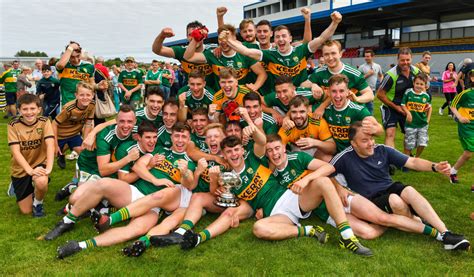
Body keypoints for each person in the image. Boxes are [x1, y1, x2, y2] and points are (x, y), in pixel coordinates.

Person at [331, 121, 470, 251]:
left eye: (372, 138)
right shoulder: (344, 157)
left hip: (389, 187)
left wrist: (434, 167)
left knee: (408, 190)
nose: (371, 143)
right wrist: (339, 188)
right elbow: (324, 172)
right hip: (371, 199)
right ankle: (421, 223)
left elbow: (413, 162)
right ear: (353, 144)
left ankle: (446, 233)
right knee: (395, 200)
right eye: (364, 140)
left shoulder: (382, 150)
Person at [257, 134, 372, 256]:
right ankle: (310, 230)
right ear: (266, 154)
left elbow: (329, 168)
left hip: (316, 196)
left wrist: (306, 180)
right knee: (369, 232)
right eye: (269, 150)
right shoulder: (270, 170)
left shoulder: (296, 157)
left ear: (284, 148)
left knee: (323, 182)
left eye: (277, 148)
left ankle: (347, 237)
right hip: (300, 210)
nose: (274, 153)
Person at [220, 12, 342, 91]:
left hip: (300, 94)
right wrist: (228, 40)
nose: (281, 39)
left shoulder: (301, 50)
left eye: (284, 36)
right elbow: (246, 51)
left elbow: (322, 38)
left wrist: (335, 23)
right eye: (278, 37)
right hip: (279, 97)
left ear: (290, 38)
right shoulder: (271, 54)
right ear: (274, 39)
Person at [183, 23, 267, 93]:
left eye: (227, 37)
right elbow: (188, 57)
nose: (223, 41)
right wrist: (195, 39)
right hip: (220, 101)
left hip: (241, 99)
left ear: (234, 38)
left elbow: (262, 73)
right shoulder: (213, 54)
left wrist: (255, 86)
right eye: (221, 38)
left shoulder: (244, 54)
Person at [7, 94, 54, 217]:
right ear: (19, 110)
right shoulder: (13, 125)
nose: (29, 112)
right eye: (25, 109)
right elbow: (15, 151)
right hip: (21, 168)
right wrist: (30, 171)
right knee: (25, 211)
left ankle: (38, 204)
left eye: (32, 109)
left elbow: (50, 145)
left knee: (42, 181)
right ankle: (17, 185)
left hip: (39, 163)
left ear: (39, 109)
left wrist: (48, 169)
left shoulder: (45, 122)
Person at [323, 74, 383, 153]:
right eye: (334, 91)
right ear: (328, 92)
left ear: (348, 92)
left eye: (341, 91)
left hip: (355, 154)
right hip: (334, 153)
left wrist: (375, 129)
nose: (338, 96)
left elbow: (379, 130)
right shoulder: (325, 109)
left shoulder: (358, 110)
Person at [377, 47, 420, 149]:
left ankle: (408, 159)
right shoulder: (390, 75)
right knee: (390, 133)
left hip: (407, 108)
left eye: (408, 60)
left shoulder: (417, 72)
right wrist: (396, 108)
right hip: (390, 108)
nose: (405, 63)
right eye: (402, 60)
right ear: (398, 60)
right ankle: (390, 160)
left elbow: (421, 88)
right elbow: (380, 94)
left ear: (411, 59)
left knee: (409, 135)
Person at [52, 81, 95, 170]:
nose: (85, 98)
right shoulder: (69, 108)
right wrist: (55, 144)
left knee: (83, 153)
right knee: (52, 155)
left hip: (74, 135)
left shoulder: (92, 104)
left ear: (93, 95)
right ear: (76, 95)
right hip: (61, 135)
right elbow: (54, 123)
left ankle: (83, 174)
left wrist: (85, 141)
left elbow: (88, 123)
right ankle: (61, 155)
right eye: (82, 95)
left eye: (88, 95)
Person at [278, 96, 336, 161]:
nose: (298, 116)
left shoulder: (317, 121)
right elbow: (278, 150)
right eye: (294, 112)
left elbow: (333, 149)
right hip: (296, 151)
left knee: (327, 158)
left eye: (302, 112)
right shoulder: (287, 126)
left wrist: (315, 142)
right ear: (290, 112)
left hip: (315, 148)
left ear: (307, 110)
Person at [449, 69, 474, 184]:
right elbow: (452, 105)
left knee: (467, 154)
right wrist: (459, 117)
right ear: (472, 78)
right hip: (466, 128)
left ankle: (452, 172)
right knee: (469, 152)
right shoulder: (466, 93)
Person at [401, 74, 431, 158]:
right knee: (409, 145)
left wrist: (428, 120)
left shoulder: (426, 96)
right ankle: (406, 162)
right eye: (417, 83)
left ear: (425, 85)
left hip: (422, 124)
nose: (419, 86)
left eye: (421, 84)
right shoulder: (408, 92)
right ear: (413, 83)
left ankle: (416, 158)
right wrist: (408, 113)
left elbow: (429, 108)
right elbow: (403, 104)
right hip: (410, 124)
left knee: (423, 143)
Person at [56, 42, 96, 107]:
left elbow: (92, 84)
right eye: (72, 57)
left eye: (78, 56)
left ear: (80, 53)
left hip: (84, 103)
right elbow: (60, 65)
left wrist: (98, 86)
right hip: (67, 104)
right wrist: (70, 48)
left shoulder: (89, 66)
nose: (76, 60)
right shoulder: (64, 65)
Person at [358, 50, 383, 114]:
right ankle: (368, 119)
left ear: (372, 57)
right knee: (369, 107)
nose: (366, 58)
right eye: (365, 56)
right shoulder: (361, 67)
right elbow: (358, 79)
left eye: (368, 56)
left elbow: (380, 75)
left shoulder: (377, 66)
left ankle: (367, 120)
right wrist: (367, 74)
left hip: (373, 90)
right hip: (364, 90)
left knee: (369, 106)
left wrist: (381, 83)